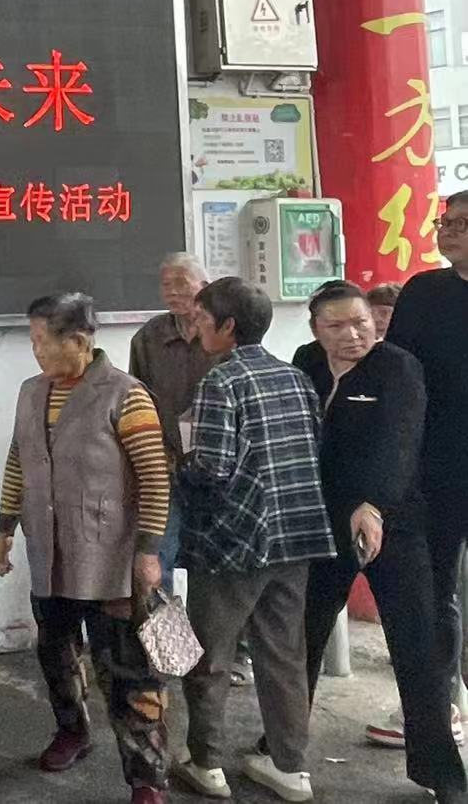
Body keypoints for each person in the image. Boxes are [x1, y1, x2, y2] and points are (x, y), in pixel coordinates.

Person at [0, 293, 170, 804]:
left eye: (42, 342)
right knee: (56, 652)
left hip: (110, 558)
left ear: (79, 340)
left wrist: (148, 551)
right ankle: (72, 730)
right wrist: (4, 526)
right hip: (49, 551)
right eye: (32, 341)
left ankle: (147, 777)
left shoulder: (125, 394)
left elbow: (155, 477)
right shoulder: (32, 392)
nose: (36, 351)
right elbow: (18, 459)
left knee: (130, 671)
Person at [293, 283, 466, 804]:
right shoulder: (306, 363)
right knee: (303, 636)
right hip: (325, 523)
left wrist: (373, 505)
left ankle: (442, 772)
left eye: (361, 322)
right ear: (315, 331)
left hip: (393, 522)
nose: (352, 335)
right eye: (336, 326)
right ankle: (283, 743)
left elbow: (401, 442)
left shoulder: (397, 368)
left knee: (416, 646)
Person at [175, 278, 334, 803]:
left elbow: (213, 469)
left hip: (233, 542)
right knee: (284, 656)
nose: (196, 327)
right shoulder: (296, 377)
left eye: (202, 319)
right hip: (296, 535)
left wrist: (179, 468)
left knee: (210, 657)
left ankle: (206, 763)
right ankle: (291, 768)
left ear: (228, 326)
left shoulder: (221, 382)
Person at [380, 194, 468, 750]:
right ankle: (441, 708)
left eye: (462, 223)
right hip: (436, 469)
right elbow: (398, 377)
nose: (448, 231)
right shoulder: (423, 292)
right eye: (445, 222)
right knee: (435, 592)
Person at [128, 252, 214, 596]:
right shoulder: (148, 338)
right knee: (157, 557)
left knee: (212, 558)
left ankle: (215, 631)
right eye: (166, 285)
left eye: (181, 283)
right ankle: (164, 631)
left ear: (204, 286)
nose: (173, 292)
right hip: (165, 464)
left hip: (215, 466)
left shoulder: (223, 331)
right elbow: (138, 401)